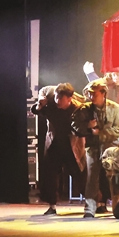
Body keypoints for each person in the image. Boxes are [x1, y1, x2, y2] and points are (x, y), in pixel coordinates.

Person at [71, 78, 119, 218]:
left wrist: (101, 133)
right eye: (90, 94)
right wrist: (87, 127)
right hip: (93, 148)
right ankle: (90, 208)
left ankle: (118, 208)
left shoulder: (115, 108)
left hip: (111, 148)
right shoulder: (85, 109)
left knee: (113, 178)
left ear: (103, 93)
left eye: (94, 94)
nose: (91, 96)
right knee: (91, 179)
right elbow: (74, 125)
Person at [31, 83, 86, 215]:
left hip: (71, 144)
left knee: (79, 174)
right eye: (56, 97)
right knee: (50, 174)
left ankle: (93, 202)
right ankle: (52, 205)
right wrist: (40, 104)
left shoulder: (78, 108)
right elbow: (36, 110)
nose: (57, 101)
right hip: (54, 143)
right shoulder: (51, 104)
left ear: (70, 99)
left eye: (61, 98)